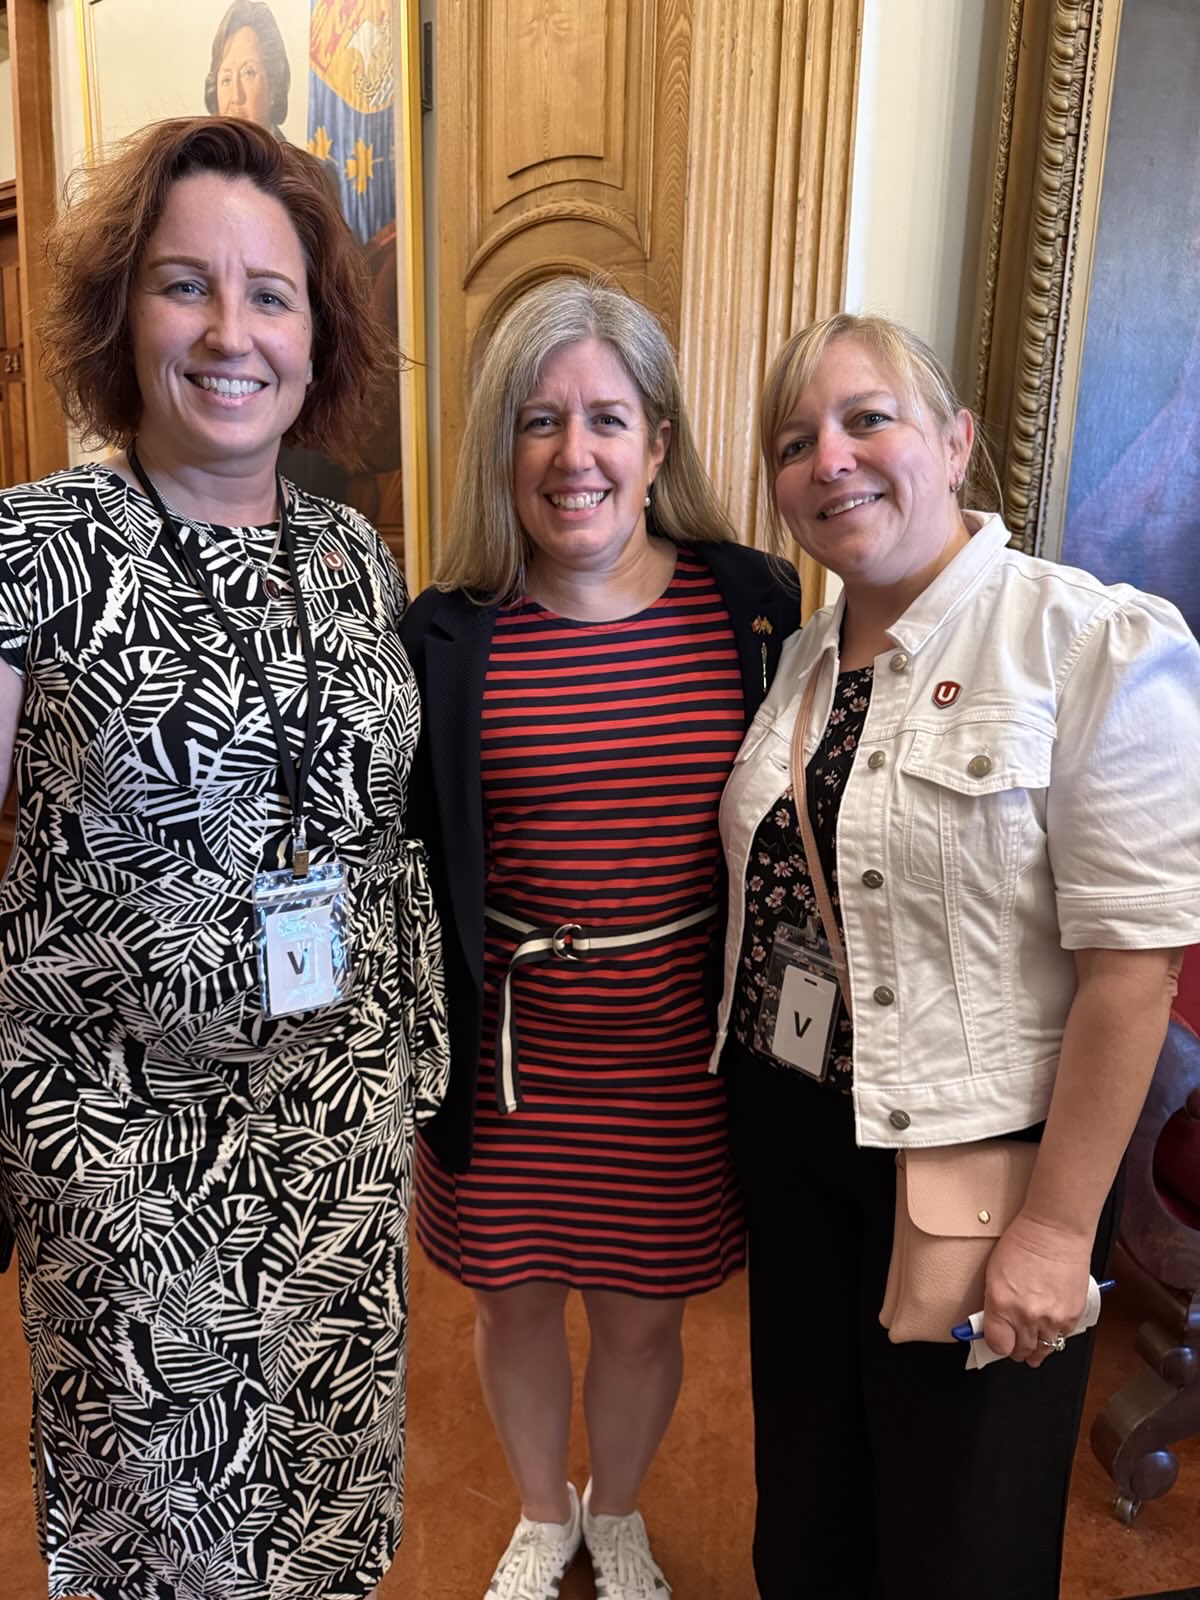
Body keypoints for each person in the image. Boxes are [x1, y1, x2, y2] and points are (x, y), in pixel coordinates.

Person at [0, 116, 447, 1600]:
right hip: (127, 1160)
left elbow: (376, 837)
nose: (231, 330)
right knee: (166, 1539)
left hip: (333, 1139)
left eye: (272, 294)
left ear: (318, 338)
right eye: (186, 284)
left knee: (327, 1505)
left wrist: (406, 1077)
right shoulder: (33, 553)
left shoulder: (352, 556)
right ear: (123, 312)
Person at [714, 310, 1200, 1600]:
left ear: (955, 439)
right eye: (795, 439)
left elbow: (1131, 975)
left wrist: (1054, 1229)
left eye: (867, 418)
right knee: (811, 1510)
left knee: (960, 1537)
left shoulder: (1086, 643)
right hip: (798, 1150)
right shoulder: (801, 661)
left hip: (976, 1171)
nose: (832, 458)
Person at [400, 276, 798, 1600]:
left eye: (608, 419)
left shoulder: (755, 605)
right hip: (507, 1056)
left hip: (676, 1055)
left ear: (659, 443)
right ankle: (538, 1509)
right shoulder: (444, 635)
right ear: (498, 448)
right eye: (539, 421)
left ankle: (614, 1510)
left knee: (640, 1316)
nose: (575, 456)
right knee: (510, 1305)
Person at [205, 0, 290, 140]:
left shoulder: (305, 163)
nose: (236, 97)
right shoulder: (198, 160)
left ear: (274, 84)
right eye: (226, 80)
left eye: (248, 73)